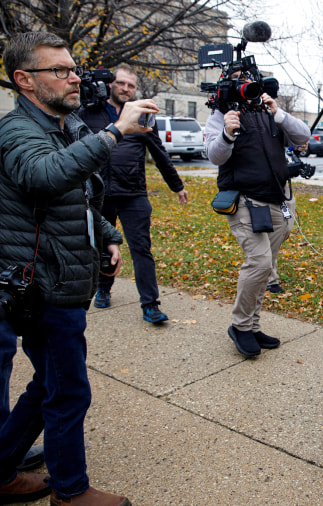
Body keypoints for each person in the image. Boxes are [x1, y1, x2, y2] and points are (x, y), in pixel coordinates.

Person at [0, 31, 155, 504]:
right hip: (43, 283)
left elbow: (77, 192)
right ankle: (70, 493)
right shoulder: (15, 130)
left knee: (49, 383)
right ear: (25, 80)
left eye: (73, 69)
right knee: (68, 391)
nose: (74, 78)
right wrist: (114, 131)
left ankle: (1, 469)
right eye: (60, 71)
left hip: (62, 275)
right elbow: (45, 177)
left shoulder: (63, 125)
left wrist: (106, 235)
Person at [205, 71, 310, 357]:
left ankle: (252, 325)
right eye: (239, 79)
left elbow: (303, 137)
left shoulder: (268, 111)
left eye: (249, 77)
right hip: (244, 201)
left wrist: (279, 112)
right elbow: (214, 155)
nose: (246, 84)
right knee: (260, 262)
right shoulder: (221, 113)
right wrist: (227, 132)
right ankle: (239, 327)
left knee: (266, 265)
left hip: (275, 200)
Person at [78, 63, 189, 323]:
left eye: (131, 85)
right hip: (99, 195)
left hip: (133, 194)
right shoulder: (89, 112)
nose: (126, 89)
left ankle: (150, 305)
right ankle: (103, 290)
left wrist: (177, 186)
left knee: (142, 249)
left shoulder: (143, 116)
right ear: (110, 84)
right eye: (121, 83)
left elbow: (160, 154)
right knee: (103, 248)